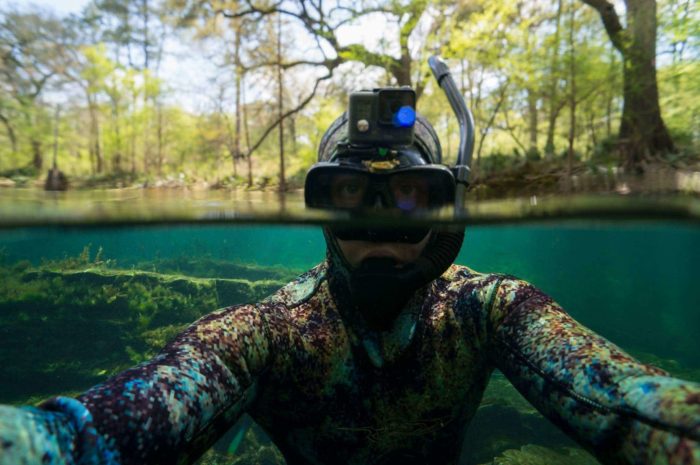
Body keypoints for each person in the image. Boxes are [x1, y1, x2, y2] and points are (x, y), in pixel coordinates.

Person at [1, 93, 699, 465]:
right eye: (349, 197)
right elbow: (93, 435)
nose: (380, 232)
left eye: (409, 200)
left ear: (445, 213)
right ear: (322, 212)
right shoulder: (268, 333)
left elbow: (626, 399)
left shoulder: (487, 308)